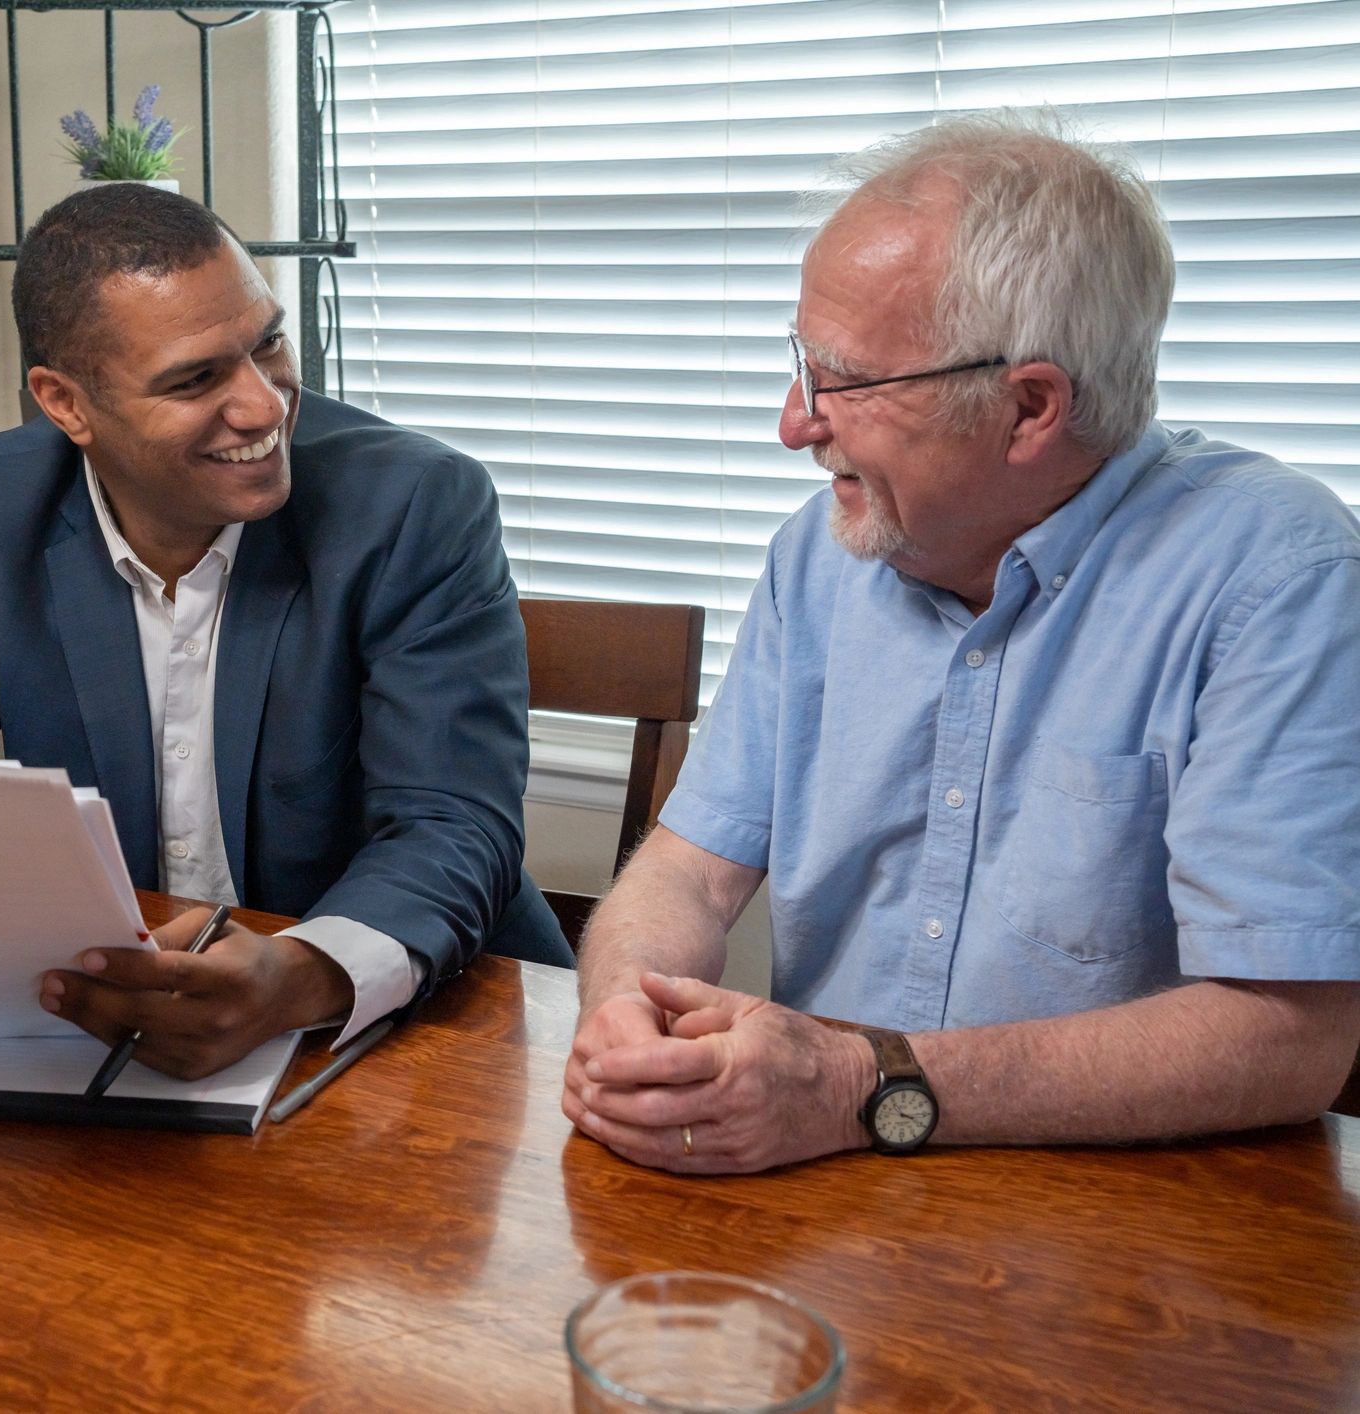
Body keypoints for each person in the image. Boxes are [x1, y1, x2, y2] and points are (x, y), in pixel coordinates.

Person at [564, 111, 1360, 1174]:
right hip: (819, 1185)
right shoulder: (821, 555)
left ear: (1028, 407)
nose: (793, 423)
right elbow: (683, 873)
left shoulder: (1276, 579)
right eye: (802, 363)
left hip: (1134, 1224)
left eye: (842, 381)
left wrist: (860, 1085)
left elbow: (1288, 1038)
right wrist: (628, 1013)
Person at [0, 183, 568, 1078]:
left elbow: (453, 822)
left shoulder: (414, 504)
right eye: (196, 379)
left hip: (416, 1029)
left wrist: (301, 973)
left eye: (267, 343)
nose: (263, 406)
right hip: (94, 1034)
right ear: (66, 403)